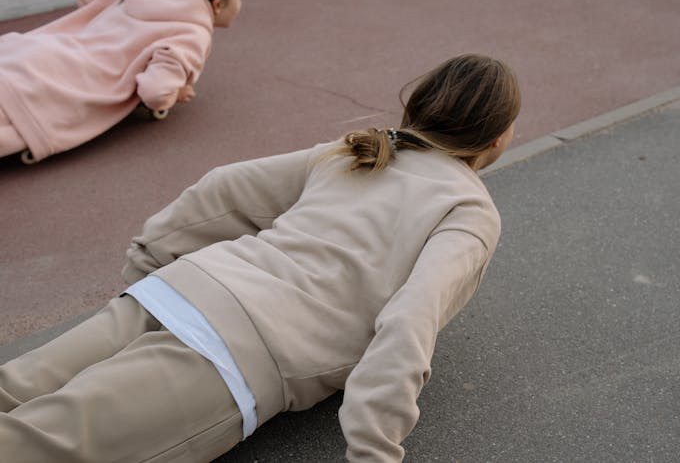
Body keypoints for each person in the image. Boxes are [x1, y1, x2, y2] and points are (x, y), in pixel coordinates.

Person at [0, 53, 521, 462]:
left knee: (12, 392)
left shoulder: (358, 149)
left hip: (176, 291)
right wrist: (374, 450)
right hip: (235, 356)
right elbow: (409, 322)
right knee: (35, 446)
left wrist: (149, 263)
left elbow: (222, 189)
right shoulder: (468, 210)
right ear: (498, 138)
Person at [0, 0, 245, 164]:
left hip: (33, 51)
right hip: (58, 85)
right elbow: (156, 92)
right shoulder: (190, 34)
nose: (240, 5)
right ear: (217, 4)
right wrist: (175, 89)